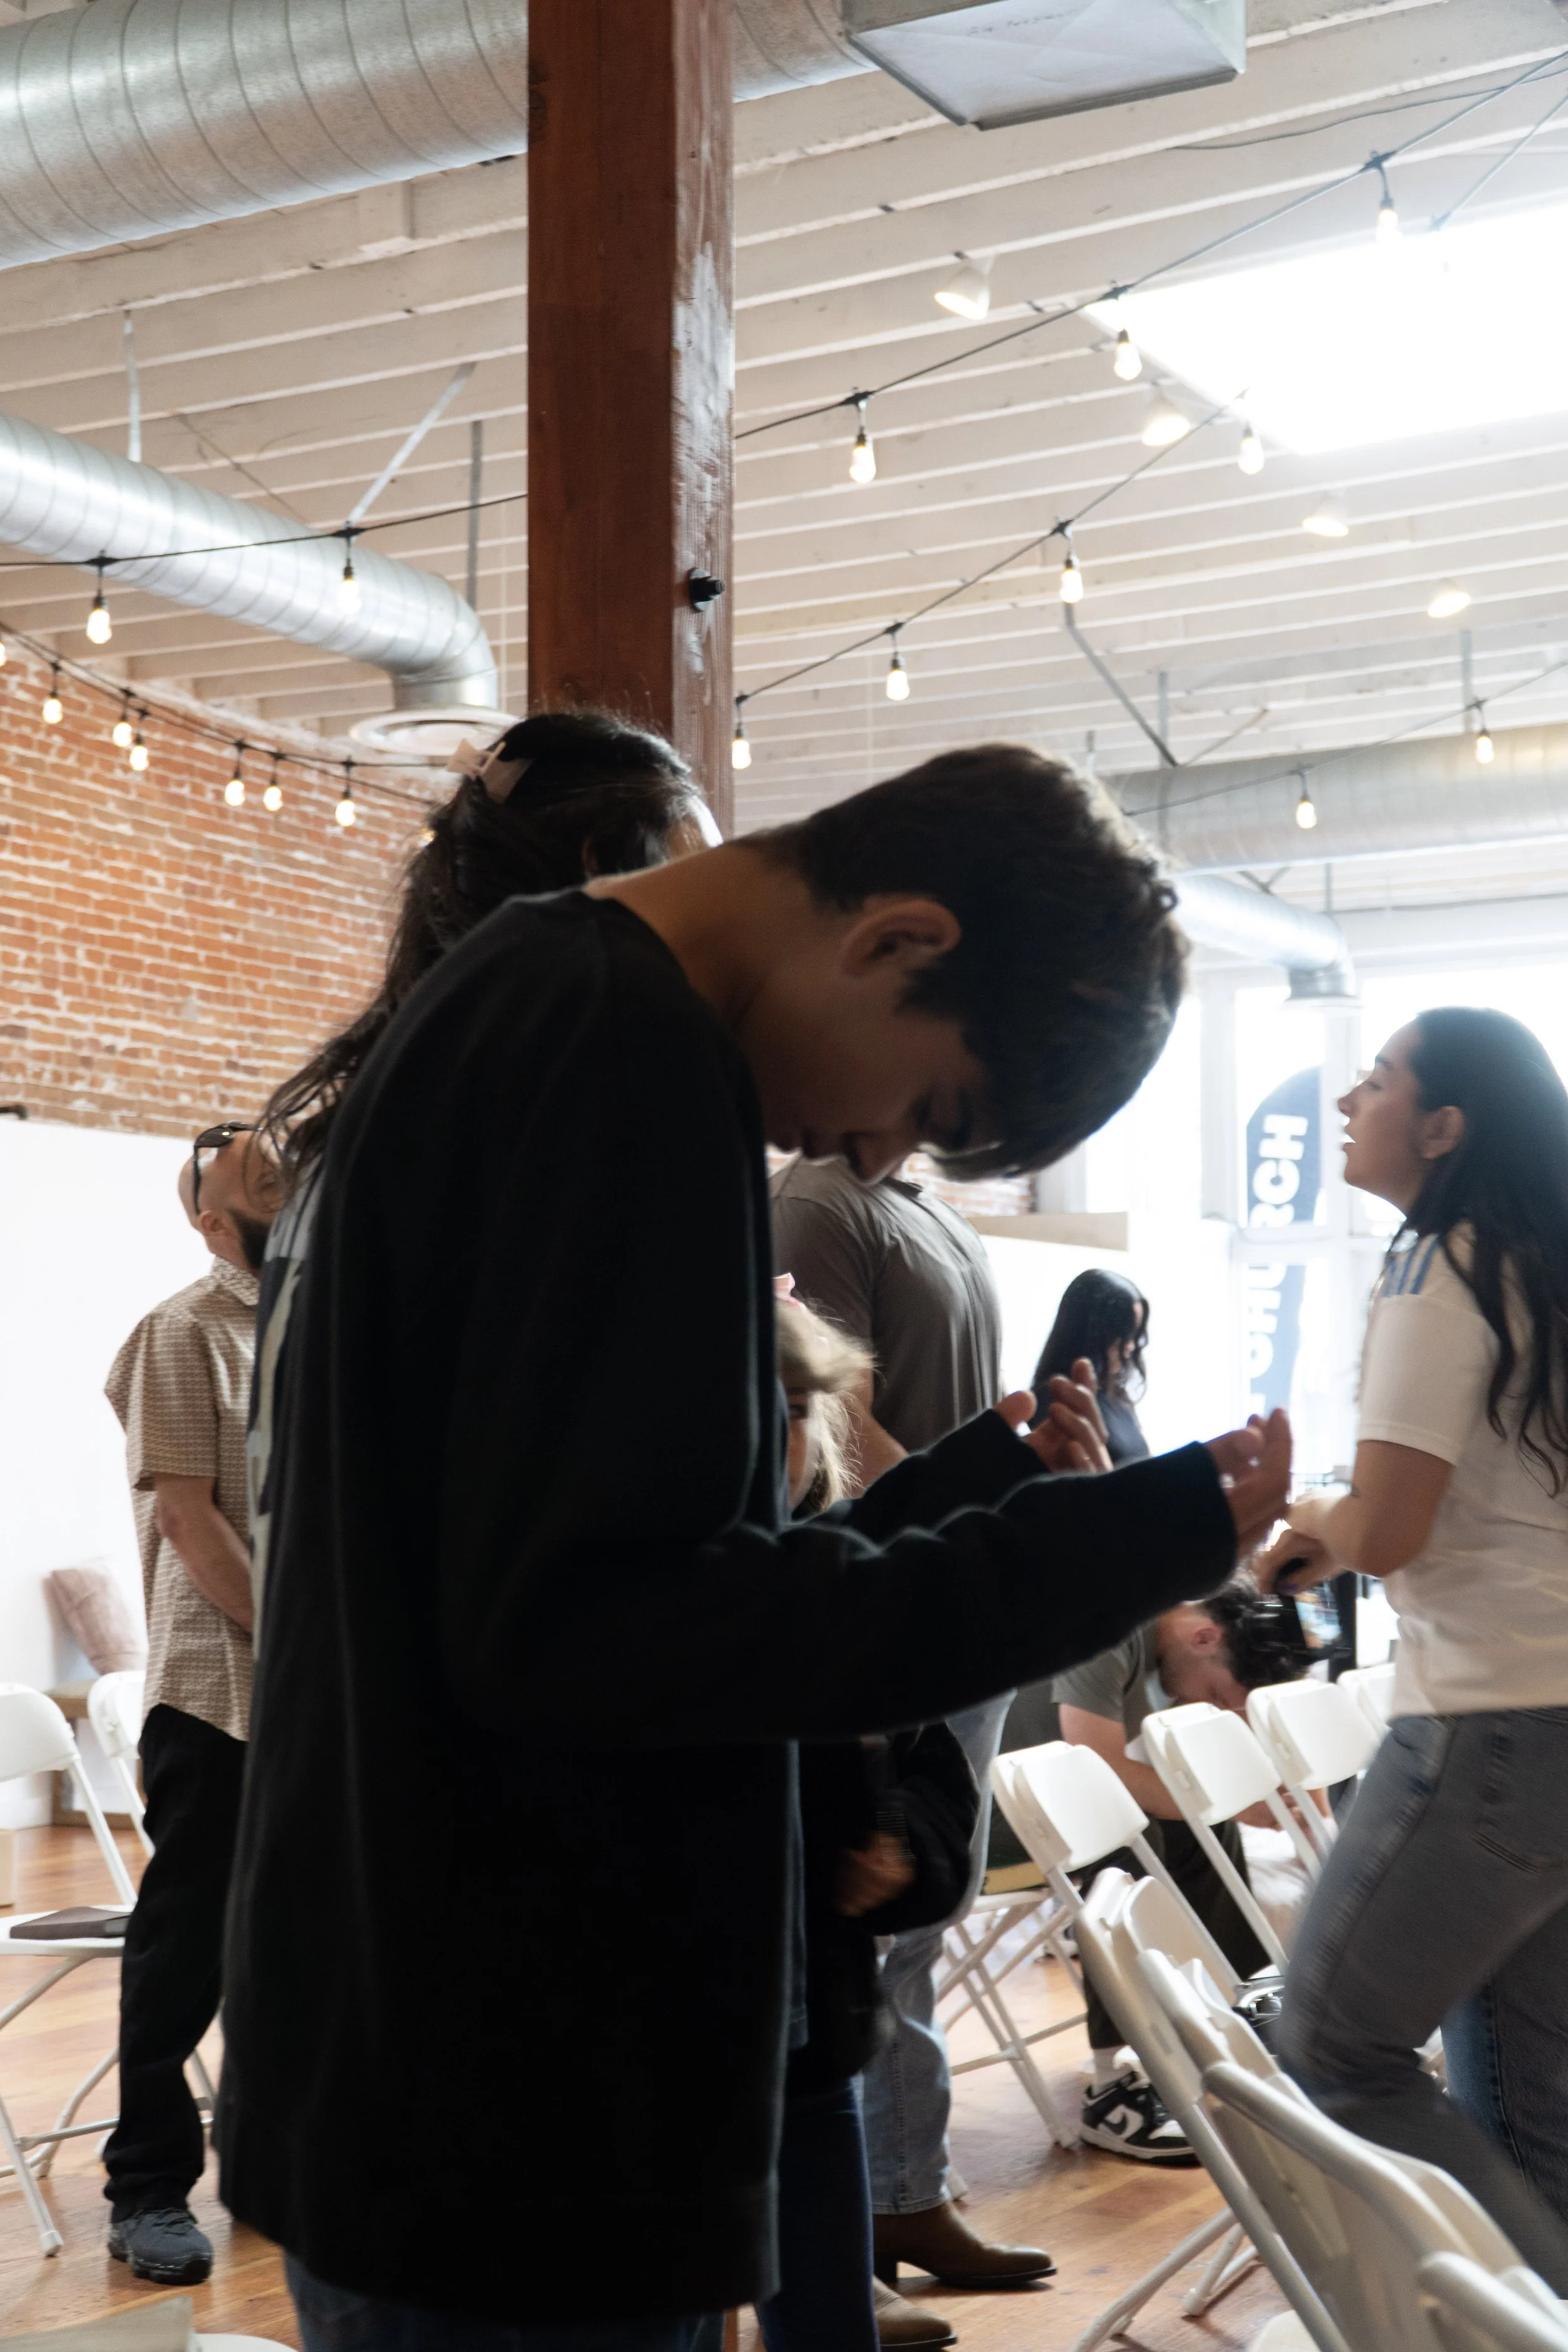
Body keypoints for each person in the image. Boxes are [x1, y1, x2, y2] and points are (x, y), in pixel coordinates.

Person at [219, 741, 1291, 2352]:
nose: (870, 1150)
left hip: (457, 2064)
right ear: (898, 938)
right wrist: (1112, 1539)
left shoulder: (540, 1007)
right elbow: (626, 1622)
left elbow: (618, 1562)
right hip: (515, 2096)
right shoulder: (615, 1045)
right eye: (928, 1105)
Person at [248, 709, 716, 1618]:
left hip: (351, 1701)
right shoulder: (526, 1128)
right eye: (695, 871)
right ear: (598, 867)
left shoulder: (391, 1109)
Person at [1258, 1008, 1568, 2292]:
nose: (1345, 1097)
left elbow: (1385, 1530)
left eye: (1376, 1080)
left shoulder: (1435, 1267)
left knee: (1330, 2050)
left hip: (1486, 1725)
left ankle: (1513, 2312)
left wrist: (1305, 1522)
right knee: (1525, 2091)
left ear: (1442, 1127)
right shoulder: (1533, 1265)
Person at [771, 1155, 1057, 2304]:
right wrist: (955, 1552)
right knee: (868, 1919)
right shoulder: (819, 1202)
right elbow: (835, 1401)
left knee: (918, 1913)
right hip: (900, 1583)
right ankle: (851, 2236)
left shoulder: (931, 1213)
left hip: (940, 1580)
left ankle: (901, 2194)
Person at [101, 1127, 278, 2286]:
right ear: (211, 1220)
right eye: (257, 1177)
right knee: (187, 1945)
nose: (284, 1182)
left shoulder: (317, 1322)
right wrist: (303, 1641)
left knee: (301, 1940)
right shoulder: (182, 1330)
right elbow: (188, 1516)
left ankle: (269, 2165)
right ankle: (147, 2186)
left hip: (319, 1694)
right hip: (221, 1689)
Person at [1052, 1584, 1317, 2158]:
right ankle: (1113, 2087)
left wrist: (1253, 1793)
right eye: (1222, 1695)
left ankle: (1235, 2022)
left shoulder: (1165, 1648)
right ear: (1204, 1637)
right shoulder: (1112, 1623)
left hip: (1060, 1803)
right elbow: (1091, 1765)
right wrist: (1229, 1801)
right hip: (1002, 1815)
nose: (1219, 1710)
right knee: (1130, 1830)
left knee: (1196, 1821)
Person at [1030, 1269, 1150, 1465]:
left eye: (1136, 1335)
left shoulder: (1118, 1398)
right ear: (1095, 1332)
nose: (1131, 1347)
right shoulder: (1056, 1401)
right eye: (1126, 1334)